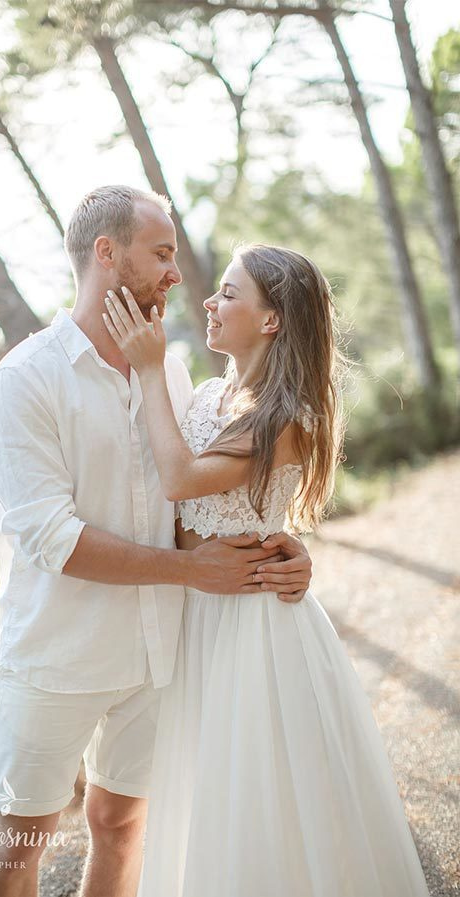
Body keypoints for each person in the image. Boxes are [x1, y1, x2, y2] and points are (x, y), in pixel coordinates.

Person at [0, 186, 313, 897]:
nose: (174, 274)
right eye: (161, 254)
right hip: (57, 655)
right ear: (107, 253)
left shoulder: (176, 369)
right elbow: (52, 540)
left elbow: (208, 496)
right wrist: (191, 571)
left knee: (122, 825)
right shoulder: (24, 380)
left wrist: (277, 547)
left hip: (163, 655)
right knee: (19, 844)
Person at [104, 244, 430, 896]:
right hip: (202, 618)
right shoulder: (205, 395)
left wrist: (146, 367)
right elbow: (181, 509)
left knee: (262, 795)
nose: (209, 302)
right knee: (211, 796)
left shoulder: (284, 419)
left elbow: (178, 478)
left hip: (257, 629)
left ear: (272, 319)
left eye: (228, 292)